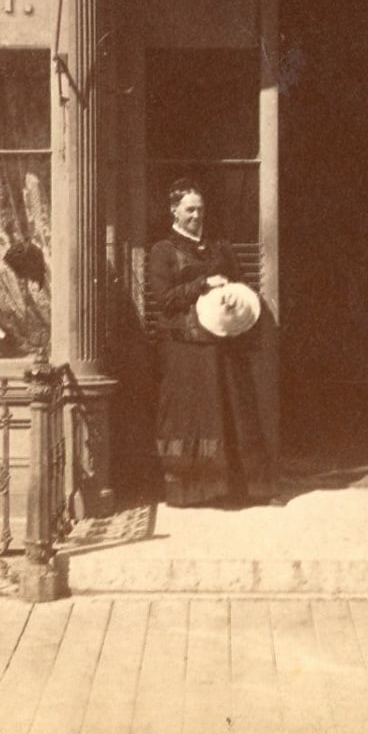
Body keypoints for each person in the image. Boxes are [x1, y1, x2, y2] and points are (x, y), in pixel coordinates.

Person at [147, 183, 273, 507]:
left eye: (200, 209)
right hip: (186, 352)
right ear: (173, 211)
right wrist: (202, 283)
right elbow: (165, 301)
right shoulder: (163, 251)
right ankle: (193, 490)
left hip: (223, 345)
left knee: (231, 411)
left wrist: (232, 292)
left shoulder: (221, 247)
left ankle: (239, 489)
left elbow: (242, 283)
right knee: (195, 417)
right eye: (189, 209)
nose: (196, 215)